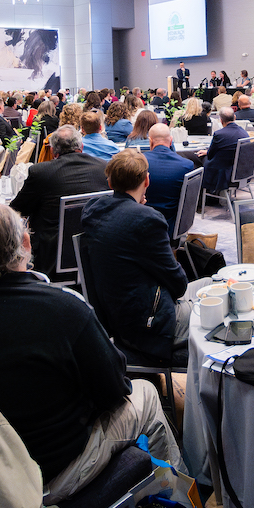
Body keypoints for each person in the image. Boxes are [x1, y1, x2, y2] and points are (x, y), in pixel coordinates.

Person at [0, 202, 181, 504]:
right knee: (146, 395)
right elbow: (116, 389)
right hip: (56, 472)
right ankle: (176, 507)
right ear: (25, 243)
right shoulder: (63, 307)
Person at [83, 150, 191, 365]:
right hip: (147, 324)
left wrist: (135, 208)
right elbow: (179, 285)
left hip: (113, 316)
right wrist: (140, 212)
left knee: (209, 288)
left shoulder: (92, 210)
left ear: (110, 181)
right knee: (219, 304)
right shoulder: (147, 219)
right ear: (147, 180)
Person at [10, 125, 109, 272]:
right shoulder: (103, 168)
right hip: (97, 249)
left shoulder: (41, 172)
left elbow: (17, 210)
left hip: (52, 256)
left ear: (52, 150)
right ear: (81, 146)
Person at [140, 124, 194, 227]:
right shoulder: (187, 165)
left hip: (143, 226)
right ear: (171, 140)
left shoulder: (139, 162)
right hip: (173, 226)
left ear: (150, 141)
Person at [202, 107, 248, 195]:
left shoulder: (219, 134)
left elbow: (211, 155)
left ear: (221, 120)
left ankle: (206, 196)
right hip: (242, 172)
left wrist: (206, 152)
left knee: (201, 160)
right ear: (234, 117)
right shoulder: (244, 133)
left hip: (224, 174)